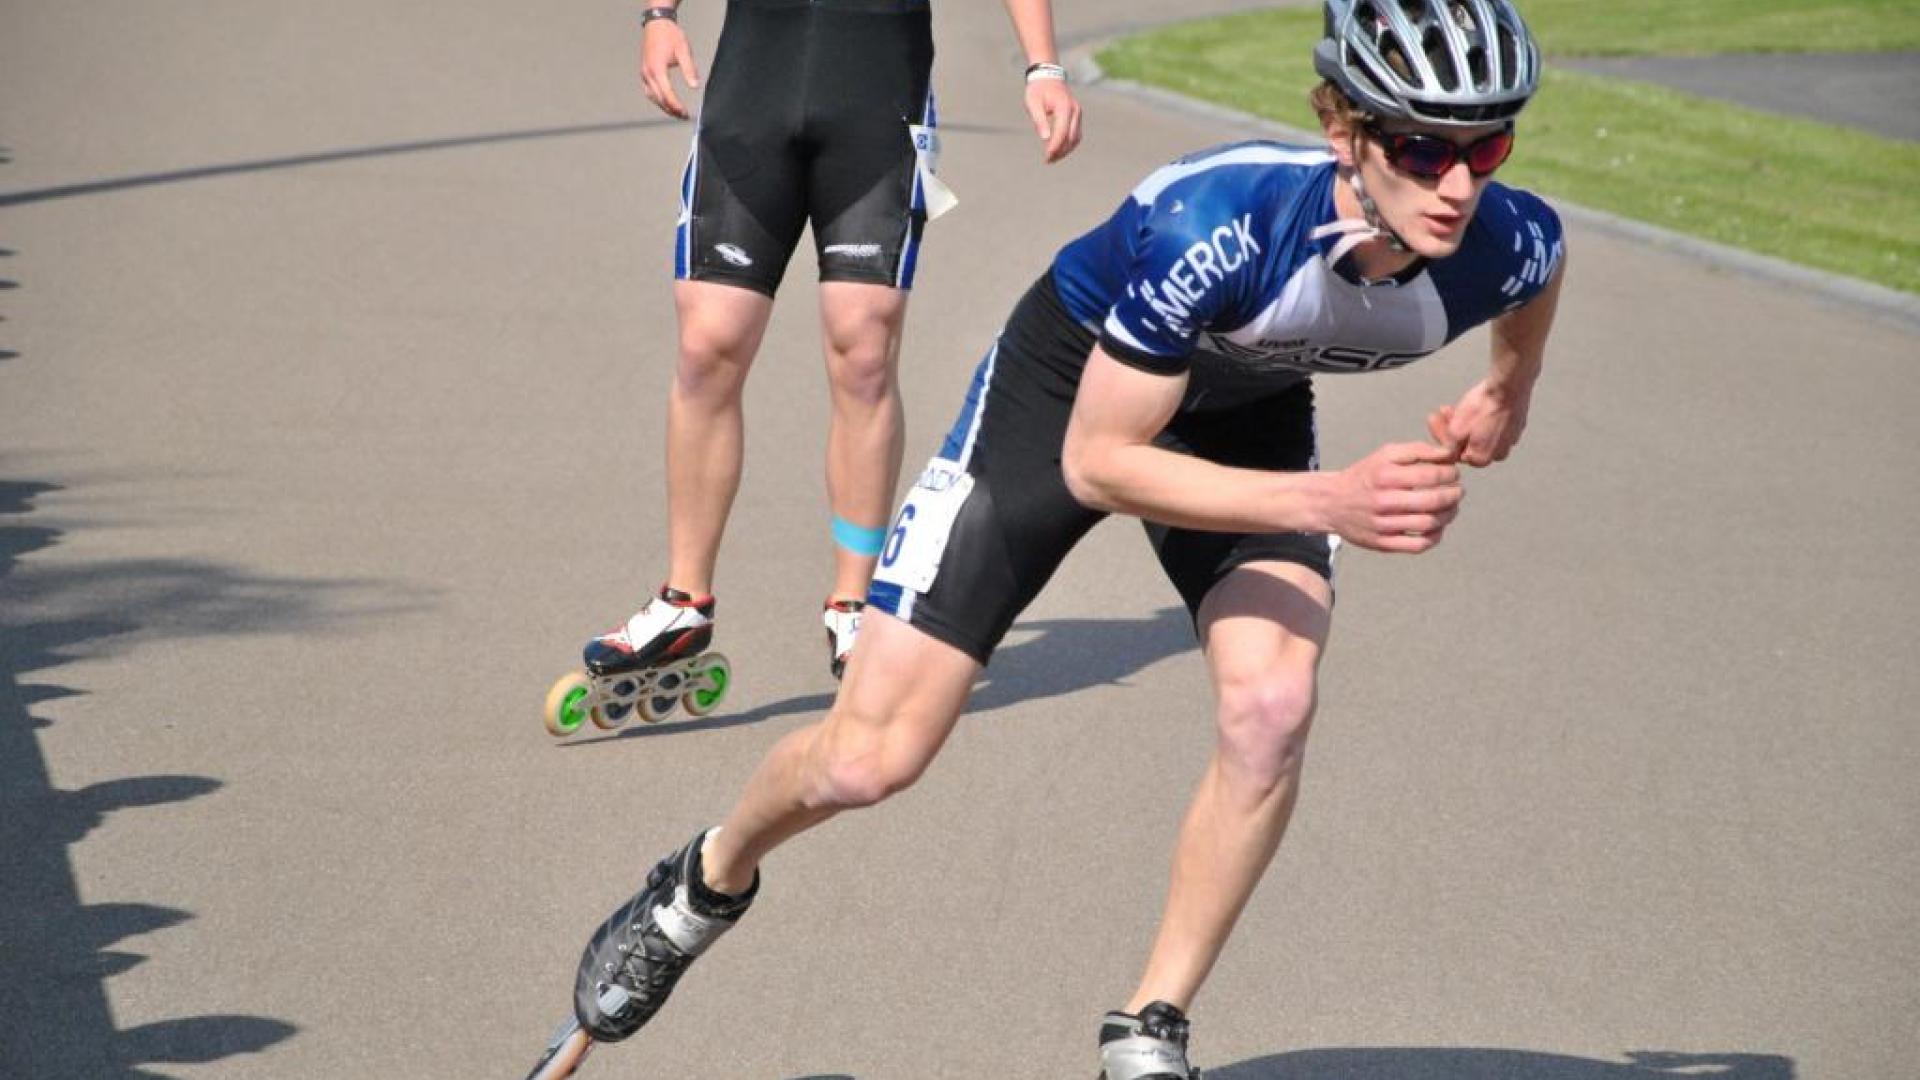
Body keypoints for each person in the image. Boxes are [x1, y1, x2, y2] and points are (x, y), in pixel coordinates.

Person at [561, 1, 1565, 1075]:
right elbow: (1099, 465)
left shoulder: (1508, 242)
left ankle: (1149, 1026)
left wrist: (1510, 388)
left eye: (1485, 149)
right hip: (1064, 402)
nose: (1458, 185)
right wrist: (1330, 503)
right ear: (1343, 132)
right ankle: (705, 881)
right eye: (1422, 149)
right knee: (866, 759)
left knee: (1272, 705)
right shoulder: (1218, 226)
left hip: (1243, 412)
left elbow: (1541, 278)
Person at [587, 0, 1084, 689]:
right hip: (754, 86)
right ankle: (684, 602)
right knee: (708, 343)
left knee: (864, 351)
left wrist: (1044, 67)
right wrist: (658, 14)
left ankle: (855, 606)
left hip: (878, 91)